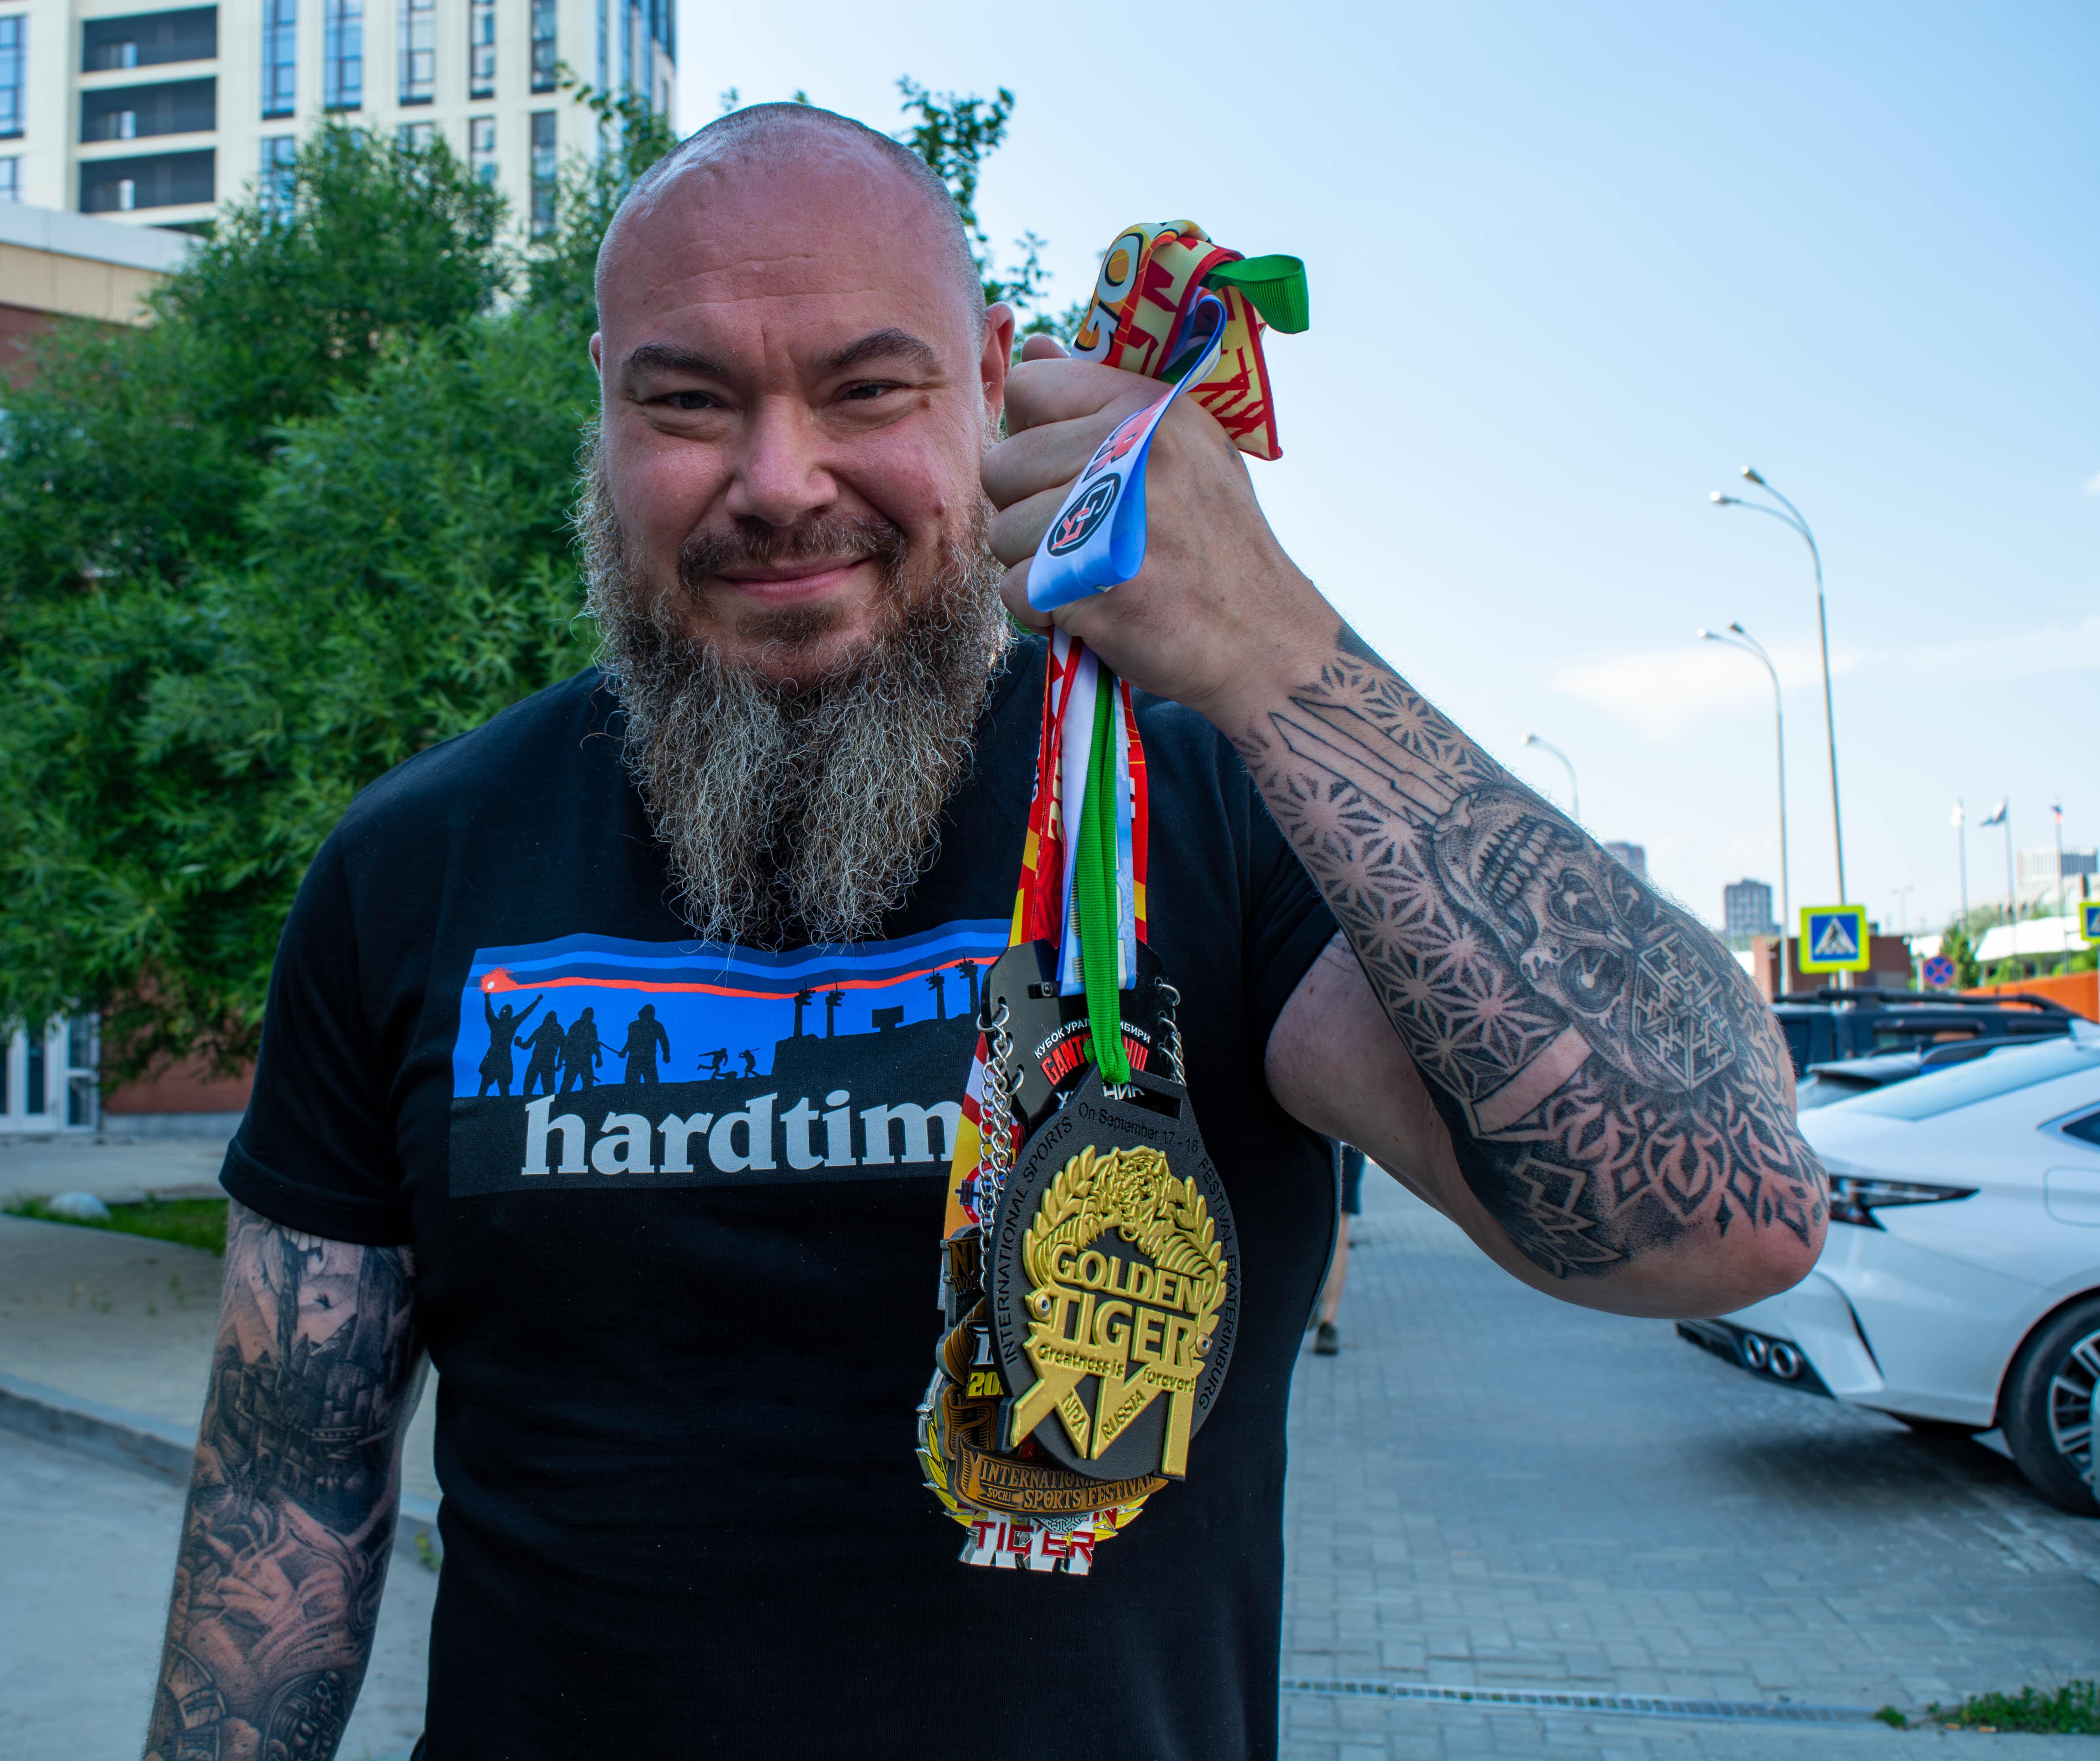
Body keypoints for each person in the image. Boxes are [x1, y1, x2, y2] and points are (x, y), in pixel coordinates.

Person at [147, 103, 1824, 1761]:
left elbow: (1721, 1218)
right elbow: (286, 1481)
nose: (778, 480)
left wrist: (1275, 647)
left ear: (990, 383)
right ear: (604, 406)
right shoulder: (415, 860)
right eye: (688, 401)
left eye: (867, 389)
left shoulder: (1211, 801)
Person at [1314, 1141, 1366, 1355]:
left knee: (1340, 1230)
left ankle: (1328, 1321)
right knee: (1313, 1226)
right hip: (1309, 1138)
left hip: (1347, 1143)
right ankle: (1313, 1295)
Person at [473, 991, 543, 1098]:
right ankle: (483, 1102)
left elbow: (526, 1013)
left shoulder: (509, 1024)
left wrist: (537, 1002)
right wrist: (487, 999)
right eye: (504, 1011)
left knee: (503, 1084)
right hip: (495, 1056)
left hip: (501, 1056)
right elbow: (489, 1012)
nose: (505, 1013)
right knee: (488, 1083)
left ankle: (504, 1103)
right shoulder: (498, 1023)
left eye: (506, 1012)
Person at [618, 1003, 671, 1084]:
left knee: (650, 1083)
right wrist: (624, 1051)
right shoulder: (635, 1026)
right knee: (634, 1083)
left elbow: (664, 1041)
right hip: (638, 1058)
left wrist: (666, 1054)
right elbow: (631, 1042)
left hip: (645, 1058)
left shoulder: (655, 1026)